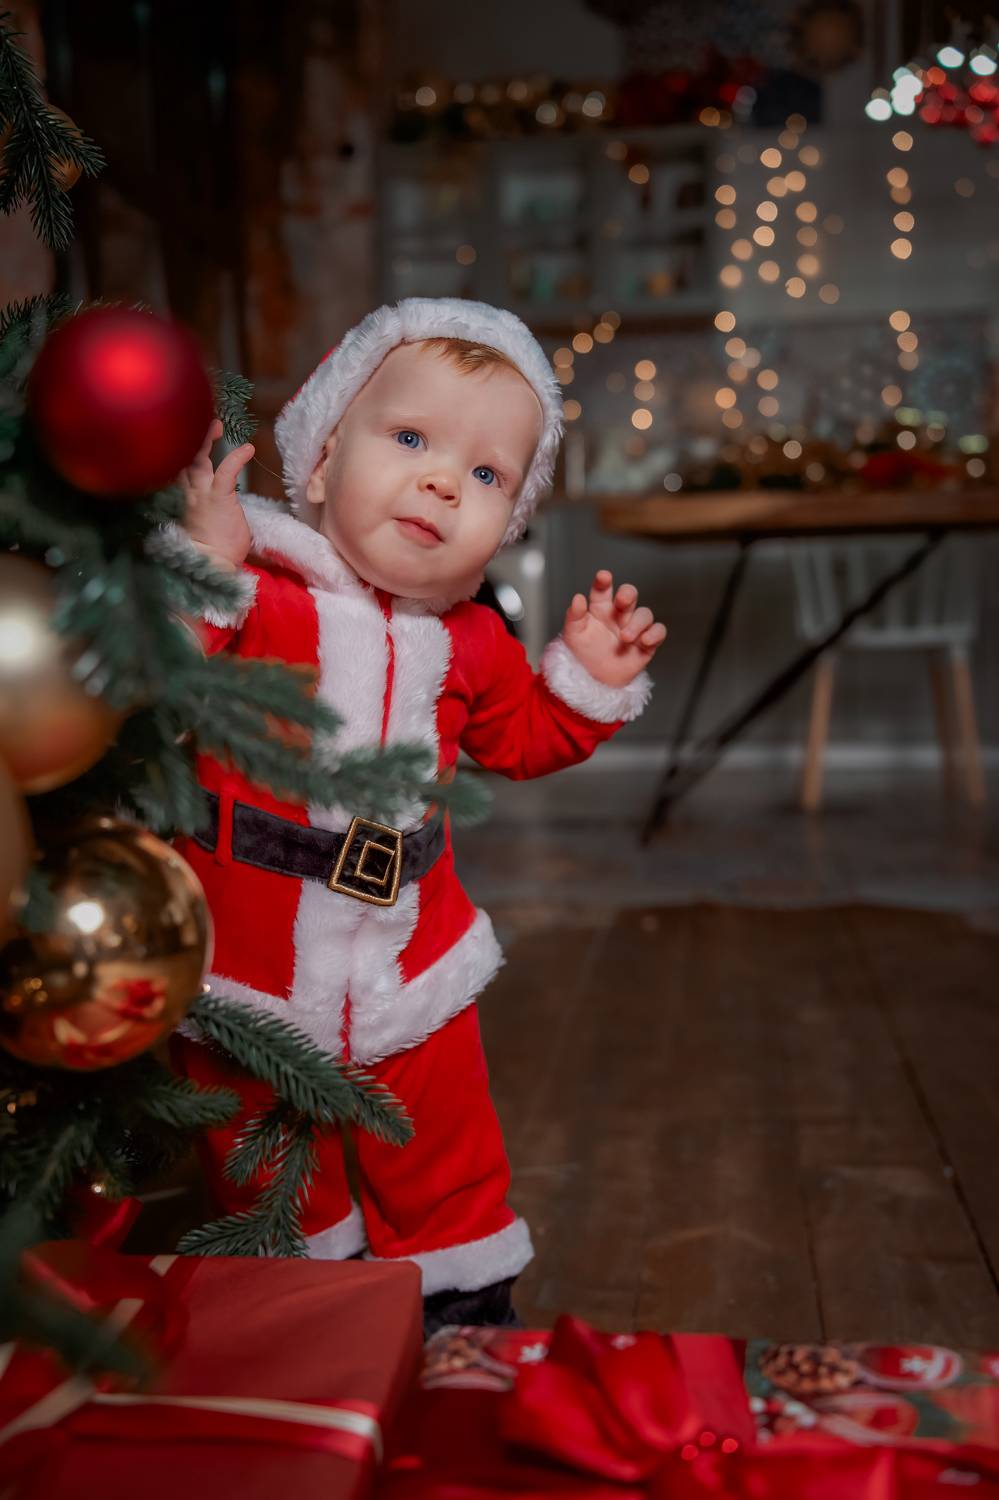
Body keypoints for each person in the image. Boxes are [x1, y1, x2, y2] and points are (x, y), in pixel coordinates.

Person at [172, 297, 666, 1330]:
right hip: (248, 958)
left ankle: (462, 1300)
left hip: (413, 956)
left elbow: (522, 739)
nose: (444, 480)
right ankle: (303, 1302)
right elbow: (163, 682)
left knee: (443, 1143)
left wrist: (588, 682)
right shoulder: (261, 596)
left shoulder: (471, 639)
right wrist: (203, 570)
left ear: (507, 523)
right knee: (264, 1154)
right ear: (320, 461)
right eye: (409, 439)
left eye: (487, 475)